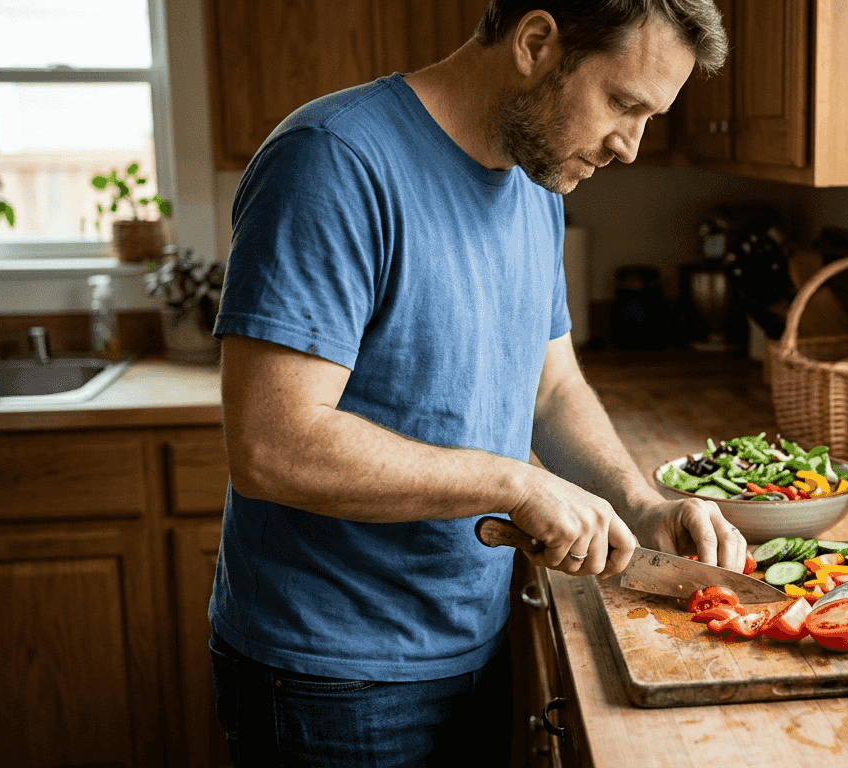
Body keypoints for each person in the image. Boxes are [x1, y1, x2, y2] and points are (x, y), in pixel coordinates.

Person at [208, 1, 734, 764]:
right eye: (623, 103)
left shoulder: (537, 183)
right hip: (329, 677)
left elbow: (552, 390)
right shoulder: (333, 160)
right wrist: (514, 483)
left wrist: (641, 502)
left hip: (472, 641)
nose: (630, 146)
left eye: (649, 115)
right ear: (535, 42)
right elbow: (273, 443)